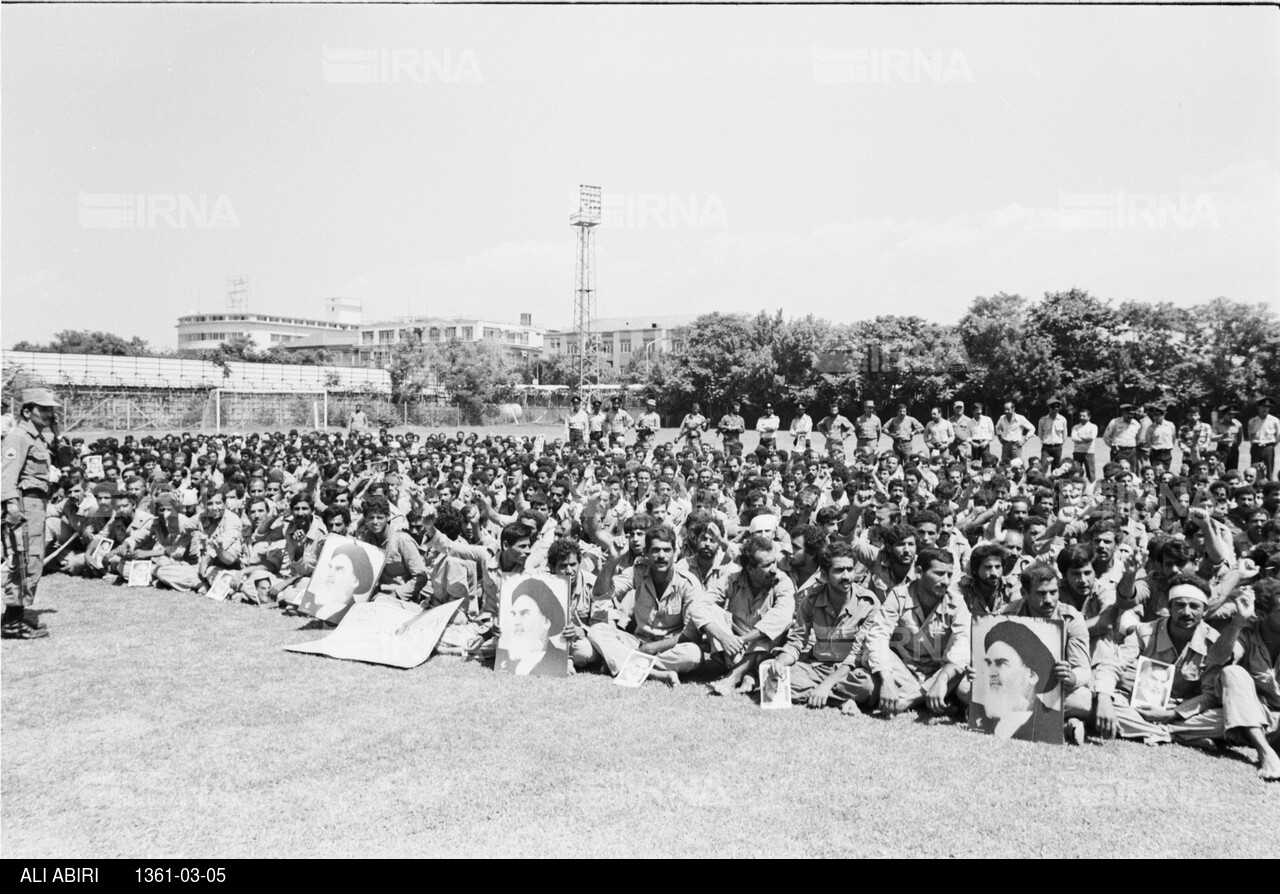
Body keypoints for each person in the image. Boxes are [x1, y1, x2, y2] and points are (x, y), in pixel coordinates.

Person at [587, 524, 707, 685]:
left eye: (667, 550)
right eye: (655, 550)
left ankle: (624, 662)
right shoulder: (637, 571)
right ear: (646, 553)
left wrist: (651, 649)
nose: (661, 556)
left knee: (693, 654)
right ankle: (656, 674)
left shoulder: (688, 583)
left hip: (669, 647)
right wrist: (613, 560)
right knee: (597, 630)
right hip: (638, 642)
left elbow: (691, 634)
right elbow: (600, 593)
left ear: (675, 552)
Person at [859, 548, 972, 716]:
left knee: (959, 669)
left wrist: (942, 679)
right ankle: (928, 698)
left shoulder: (956, 602)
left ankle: (908, 700)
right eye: (939, 574)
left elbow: (962, 645)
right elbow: (878, 636)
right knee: (870, 652)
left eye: (949, 575)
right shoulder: (899, 596)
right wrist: (887, 680)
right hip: (903, 671)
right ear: (919, 572)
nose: (945, 581)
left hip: (937, 672)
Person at [774, 541, 879, 713]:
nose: (847, 576)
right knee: (773, 673)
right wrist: (780, 662)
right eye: (839, 570)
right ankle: (842, 700)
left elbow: (856, 655)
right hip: (817, 667)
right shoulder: (811, 599)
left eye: (850, 569)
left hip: (850, 670)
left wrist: (826, 685)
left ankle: (823, 694)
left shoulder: (868, 603)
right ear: (824, 574)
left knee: (867, 685)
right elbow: (797, 641)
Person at [697, 533, 797, 696]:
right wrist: (724, 637)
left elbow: (781, 618)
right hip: (733, 646)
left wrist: (743, 640)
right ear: (750, 568)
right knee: (711, 610)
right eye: (766, 565)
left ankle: (733, 677)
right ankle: (748, 674)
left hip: (760, 645)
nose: (773, 569)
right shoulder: (732, 579)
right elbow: (699, 605)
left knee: (769, 633)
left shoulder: (782, 581)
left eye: (774, 562)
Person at [2, 388, 61, 639]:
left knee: (33, 560)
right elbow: (6, 474)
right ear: (27, 411)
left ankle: (17, 614)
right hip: (24, 505)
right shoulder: (19, 437)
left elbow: (62, 456)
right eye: (43, 409)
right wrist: (11, 506)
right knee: (24, 560)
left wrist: (56, 433)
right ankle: (11, 622)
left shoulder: (37, 437)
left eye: (51, 410)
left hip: (36, 503)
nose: (49, 414)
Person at [971, 617, 1064, 742]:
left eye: (1001, 663)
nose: (991, 673)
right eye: (989, 664)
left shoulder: (1052, 724)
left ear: (1031, 676)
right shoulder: (981, 719)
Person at [496, 576, 570, 677]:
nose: (516, 621)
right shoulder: (505, 661)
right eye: (514, 614)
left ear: (546, 623)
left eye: (524, 614)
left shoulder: (560, 661)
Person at [1103, 403, 1142, 471]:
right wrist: (1112, 446)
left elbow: (1138, 438)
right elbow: (1106, 437)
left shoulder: (1136, 424)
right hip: (1118, 451)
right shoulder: (1115, 422)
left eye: (1132, 414)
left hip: (1131, 452)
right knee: (1116, 470)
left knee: (1132, 471)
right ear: (1123, 413)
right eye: (1128, 413)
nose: (1130, 416)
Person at [1247, 397, 1278, 480]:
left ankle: (1268, 488)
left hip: (1268, 447)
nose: (1266, 409)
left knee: (1269, 470)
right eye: (1263, 406)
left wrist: (1271, 445)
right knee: (1254, 470)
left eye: (1268, 407)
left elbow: (1278, 435)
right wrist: (1255, 444)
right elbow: (1250, 436)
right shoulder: (1252, 421)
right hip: (1256, 447)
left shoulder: (1274, 420)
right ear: (1258, 407)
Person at [1037, 399, 1068, 467]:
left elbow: (1064, 434)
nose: (1055, 409)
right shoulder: (1043, 420)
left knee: (1056, 467)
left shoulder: (1063, 419)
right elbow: (1040, 434)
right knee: (1043, 466)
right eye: (1053, 407)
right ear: (1049, 408)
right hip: (1046, 447)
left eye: (1057, 407)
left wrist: (1060, 443)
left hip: (1058, 447)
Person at [1071, 408, 1099, 482]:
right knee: (1076, 471)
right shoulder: (1076, 427)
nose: (1082, 418)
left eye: (1084, 416)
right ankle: (1076, 486)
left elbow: (1091, 437)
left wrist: (1080, 437)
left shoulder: (1093, 427)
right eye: (1080, 416)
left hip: (1089, 452)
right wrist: (1085, 439)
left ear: (1089, 417)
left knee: (1090, 472)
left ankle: (1092, 489)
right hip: (1077, 451)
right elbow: (1074, 438)